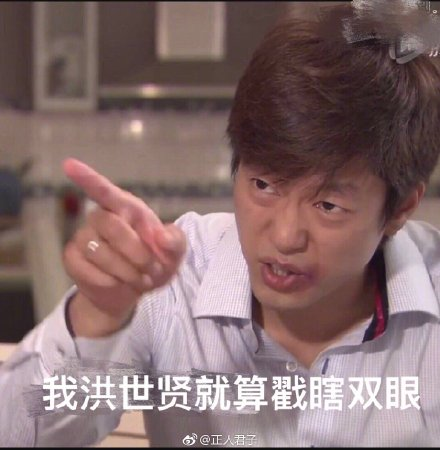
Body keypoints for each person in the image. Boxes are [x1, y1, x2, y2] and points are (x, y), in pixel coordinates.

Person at [1, 2, 440, 447]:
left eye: (328, 205)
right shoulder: (174, 281)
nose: (285, 237)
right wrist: (99, 315)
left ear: (400, 207)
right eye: (263, 185)